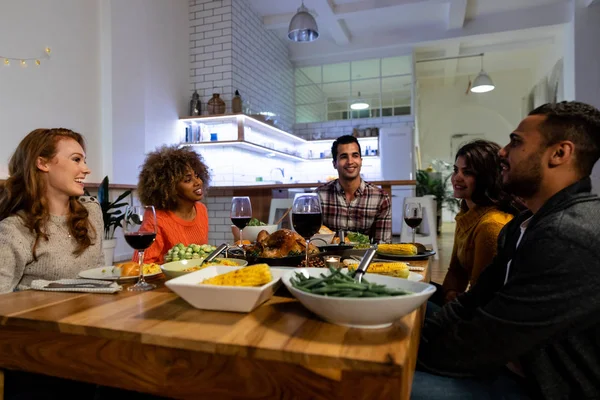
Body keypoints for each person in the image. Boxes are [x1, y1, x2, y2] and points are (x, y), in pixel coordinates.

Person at [413, 101, 600, 399]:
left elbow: (488, 337)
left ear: (560, 153)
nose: (501, 152)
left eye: (515, 142)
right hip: (503, 362)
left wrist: (406, 358)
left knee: (377, 388)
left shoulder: (568, 235)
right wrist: (423, 337)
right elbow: (475, 300)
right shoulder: (525, 224)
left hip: (537, 386)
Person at [0, 128, 104, 294]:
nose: (86, 169)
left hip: (94, 316)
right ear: (42, 163)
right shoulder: (14, 230)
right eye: (76, 160)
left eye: (84, 161)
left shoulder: (91, 212)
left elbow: (101, 277)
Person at [439, 140, 521, 304]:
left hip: (483, 316)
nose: (457, 178)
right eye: (456, 170)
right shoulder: (467, 213)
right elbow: (456, 271)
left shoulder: (491, 225)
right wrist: (450, 293)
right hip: (464, 304)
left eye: (468, 172)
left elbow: (481, 296)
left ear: (486, 178)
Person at [136, 145, 210, 264]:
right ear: (169, 188)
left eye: (197, 176)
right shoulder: (156, 218)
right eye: (188, 180)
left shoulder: (201, 210)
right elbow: (141, 264)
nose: (198, 182)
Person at [316, 135, 391, 243]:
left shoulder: (380, 198)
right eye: (343, 156)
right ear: (334, 164)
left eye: (355, 155)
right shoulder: (319, 196)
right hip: (327, 258)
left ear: (361, 160)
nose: (350, 161)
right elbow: (311, 242)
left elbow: (382, 244)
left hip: (365, 258)